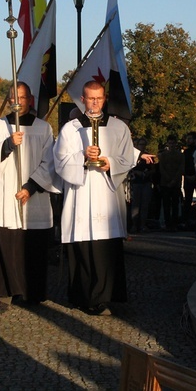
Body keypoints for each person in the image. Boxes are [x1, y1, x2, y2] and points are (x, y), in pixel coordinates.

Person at [53, 80, 135, 316]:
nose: (95, 103)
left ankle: (108, 296)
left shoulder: (118, 128)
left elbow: (127, 158)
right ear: (83, 99)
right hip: (81, 193)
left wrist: (109, 162)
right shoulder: (71, 129)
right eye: (90, 98)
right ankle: (84, 296)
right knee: (84, 248)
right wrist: (82, 157)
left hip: (107, 194)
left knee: (106, 248)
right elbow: (60, 162)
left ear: (105, 98)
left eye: (99, 98)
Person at [0, 82, 61, 312]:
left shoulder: (43, 128)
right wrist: (7, 144)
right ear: (8, 100)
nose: (17, 101)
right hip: (4, 193)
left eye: (22, 97)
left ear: (30, 99)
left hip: (34, 196)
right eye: (13, 97)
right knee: (5, 244)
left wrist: (30, 186)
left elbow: (50, 162)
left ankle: (31, 291)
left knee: (32, 248)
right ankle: (3, 293)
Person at [158, 134, 183, 231]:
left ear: (176, 144)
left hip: (176, 183)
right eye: (170, 143)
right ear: (167, 144)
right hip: (165, 183)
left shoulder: (180, 155)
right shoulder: (163, 155)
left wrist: (174, 180)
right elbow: (161, 168)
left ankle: (174, 224)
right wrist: (168, 179)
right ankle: (167, 223)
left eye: (173, 143)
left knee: (175, 204)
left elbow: (181, 169)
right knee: (166, 204)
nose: (171, 145)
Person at [128, 138, 154, 233]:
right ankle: (134, 225)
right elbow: (129, 168)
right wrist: (136, 172)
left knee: (144, 205)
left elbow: (153, 168)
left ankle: (143, 225)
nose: (142, 146)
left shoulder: (148, 156)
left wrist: (148, 173)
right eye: (140, 144)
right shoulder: (133, 156)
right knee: (135, 205)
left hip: (146, 182)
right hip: (136, 183)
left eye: (144, 144)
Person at [181, 132, 196, 230]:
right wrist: (186, 175)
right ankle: (186, 221)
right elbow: (183, 165)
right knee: (187, 200)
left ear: (195, 140)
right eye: (187, 138)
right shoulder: (186, 152)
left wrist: (195, 176)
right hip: (188, 178)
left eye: (190, 139)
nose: (188, 141)